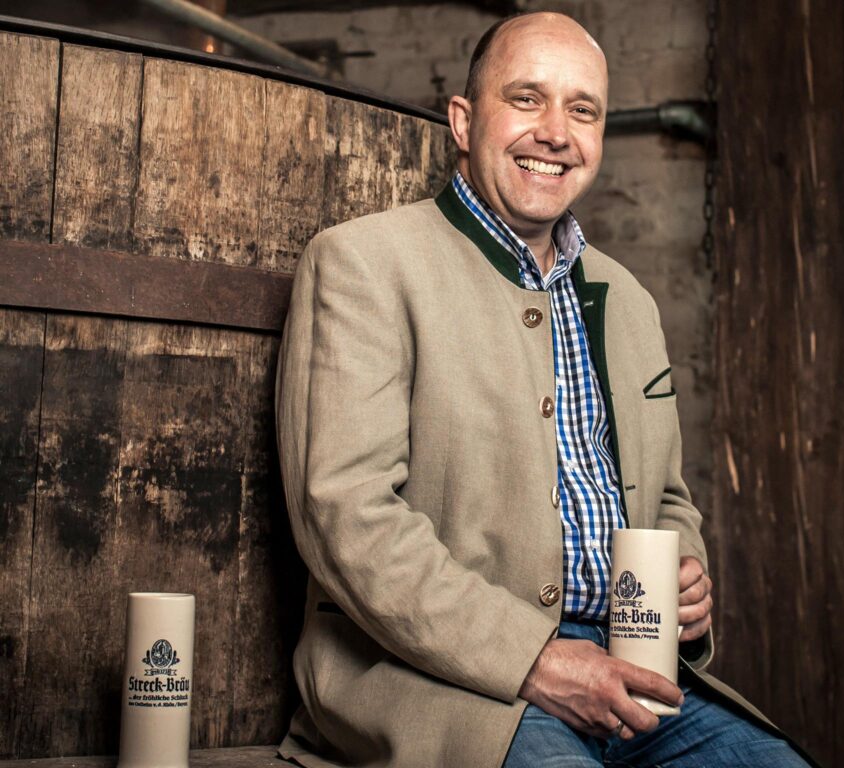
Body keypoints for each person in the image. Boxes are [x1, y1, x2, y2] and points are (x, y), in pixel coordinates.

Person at [276, 11, 815, 768]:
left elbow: (668, 498)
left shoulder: (628, 299)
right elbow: (347, 518)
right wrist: (536, 659)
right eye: (526, 99)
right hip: (438, 684)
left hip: (630, 672)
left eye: (582, 109)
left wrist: (685, 578)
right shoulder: (363, 264)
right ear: (464, 122)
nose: (556, 133)